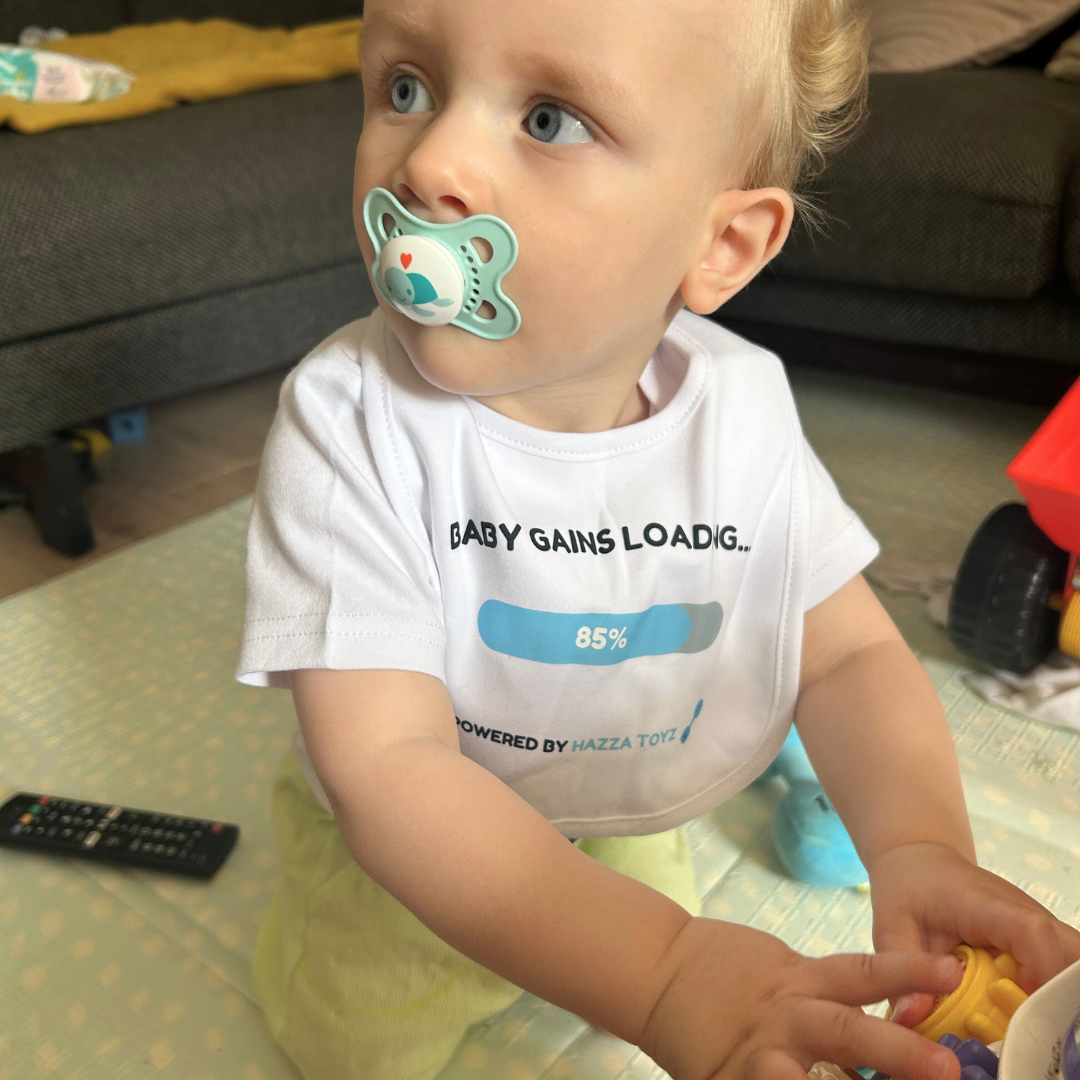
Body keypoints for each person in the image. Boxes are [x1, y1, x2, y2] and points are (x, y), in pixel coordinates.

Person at [236, 0, 1080, 1077]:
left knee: (657, 1012)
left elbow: (851, 652)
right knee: (353, 1047)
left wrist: (918, 844)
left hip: (633, 802)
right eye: (408, 87)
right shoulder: (347, 418)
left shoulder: (741, 406)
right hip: (409, 871)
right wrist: (665, 969)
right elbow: (391, 768)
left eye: (550, 119)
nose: (431, 159)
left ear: (721, 244)